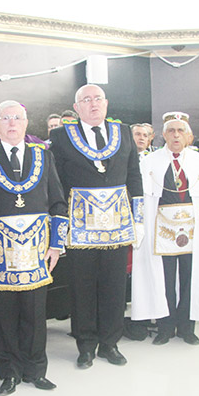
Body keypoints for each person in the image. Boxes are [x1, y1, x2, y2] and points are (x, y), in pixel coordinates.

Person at [0, 100, 67, 395]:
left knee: (36, 314)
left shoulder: (43, 155)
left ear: (26, 123)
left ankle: (36, 370)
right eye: (5, 118)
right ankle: (9, 372)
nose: (12, 123)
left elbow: (58, 201)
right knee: (4, 315)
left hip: (38, 251)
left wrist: (56, 245)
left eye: (17, 118)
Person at [49, 84, 143, 368]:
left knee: (114, 286)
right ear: (76, 107)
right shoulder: (61, 136)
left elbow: (134, 176)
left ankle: (110, 343)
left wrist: (138, 219)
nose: (93, 104)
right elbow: (57, 182)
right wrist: (60, 223)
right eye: (86, 100)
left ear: (106, 103)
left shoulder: (123, 132)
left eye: (98, 99)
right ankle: (86, 345)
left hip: (117, 225)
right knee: (83, 287)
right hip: (80, 227)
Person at [131, 117, 199, 345]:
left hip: (193, 232)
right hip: (161, 232)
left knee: (190, 278)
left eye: (180, 131)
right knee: (164, 279)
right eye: (171, 131)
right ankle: (165, 328)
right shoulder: (149, 162)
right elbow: (142, 200)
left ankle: (187, 328)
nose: (176, 135)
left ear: (188, 136)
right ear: (163, 135)